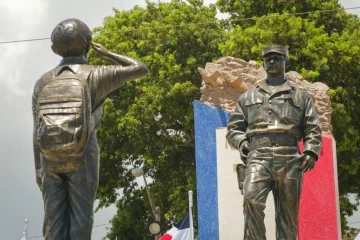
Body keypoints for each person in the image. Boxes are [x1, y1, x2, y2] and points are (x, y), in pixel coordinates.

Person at [32, 18, 149, 239]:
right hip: (83, 152)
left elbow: (36, 127)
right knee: (81, 217)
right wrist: (108, 53)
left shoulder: (42, 81)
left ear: (54, 49)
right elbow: (140, 68)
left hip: (49, 158)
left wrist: (39, 168)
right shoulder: (95, 74)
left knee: (53, 220)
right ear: (88, 45)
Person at [226, 45, 322, 240]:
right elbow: (234, 129)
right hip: (257, 156)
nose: (272, 61)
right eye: (268, 58)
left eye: (277, 58)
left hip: (289, 158)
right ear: (263, 63)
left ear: (285, 62)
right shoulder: (248, 97)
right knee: (251, 200)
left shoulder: (301, 96)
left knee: (287, 216)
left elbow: (312, 126)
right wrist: (241, 141)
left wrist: (311, 151)